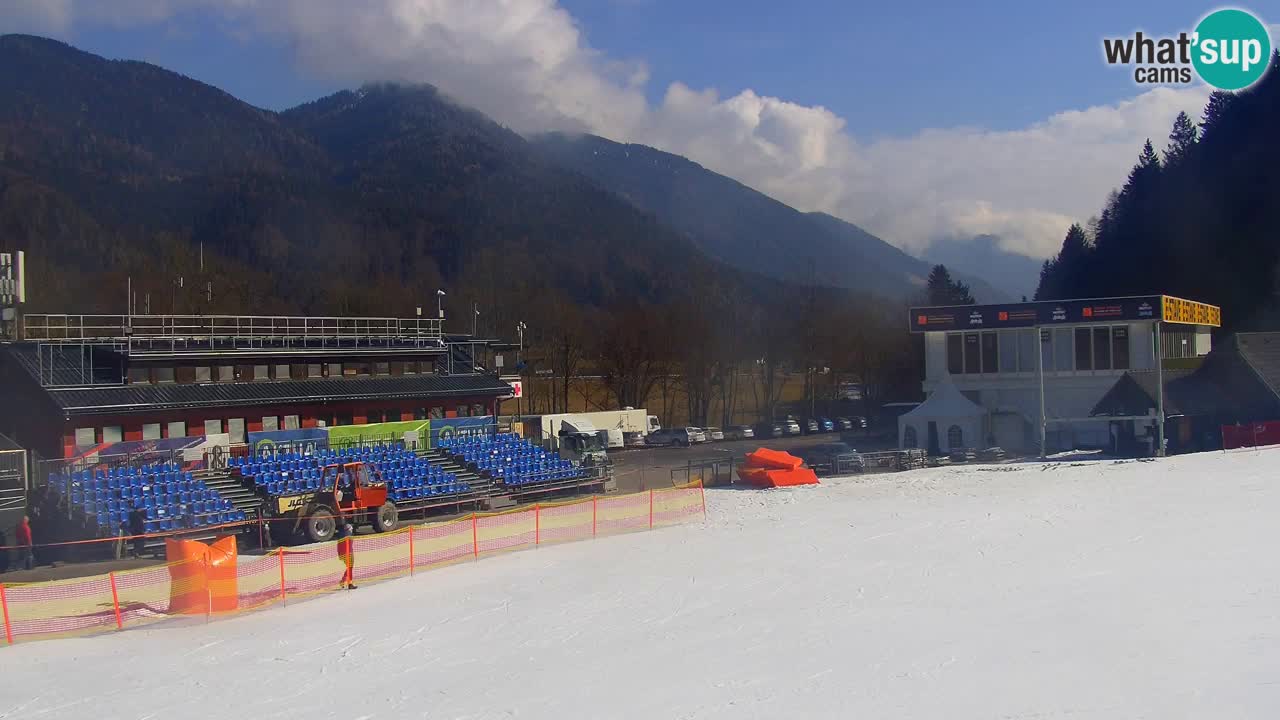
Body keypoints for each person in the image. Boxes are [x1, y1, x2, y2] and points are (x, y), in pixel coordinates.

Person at [337, 521, 356, 590]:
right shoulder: (348, 535)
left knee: (349, 568)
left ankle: (345, 582)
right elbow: (349, 546)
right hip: (348, 553)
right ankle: (347, 583)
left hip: (343, 554)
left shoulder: (342, 535)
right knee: (350, 567)